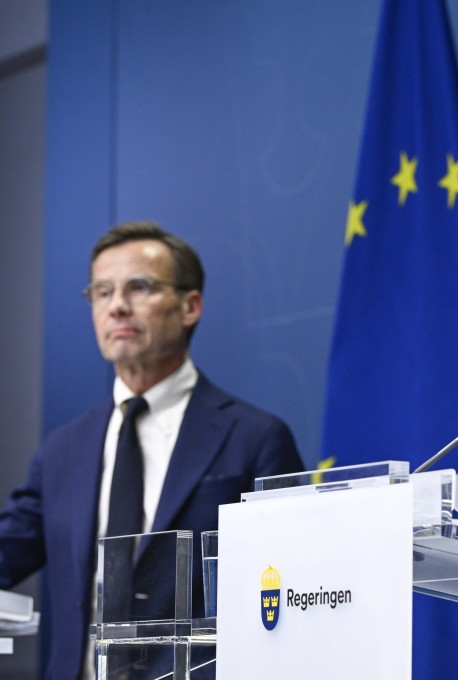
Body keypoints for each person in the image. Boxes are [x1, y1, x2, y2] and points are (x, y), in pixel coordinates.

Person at [0, 221, 305, 678]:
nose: (117, 306)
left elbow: (295, 587)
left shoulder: (254, 437)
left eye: (139, 287)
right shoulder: (62, 450)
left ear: (190, 306)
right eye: (102, 292)